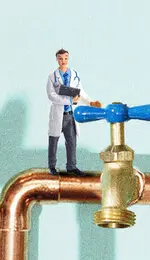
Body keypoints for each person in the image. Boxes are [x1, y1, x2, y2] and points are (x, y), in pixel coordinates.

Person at [46, 48, 101, 176]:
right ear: (57, 60)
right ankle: (52, 166)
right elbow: (51, 95)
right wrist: (69, 100)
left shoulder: (74, 74)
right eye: (60, 58)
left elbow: (80, 92)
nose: (63, 61)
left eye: (65, 58)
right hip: (58, 114)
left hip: (70, 115)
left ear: (68, 59)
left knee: (72, 141)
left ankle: (71, 166)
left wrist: (91, 102)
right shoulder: (52, 76)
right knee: (53, 140)